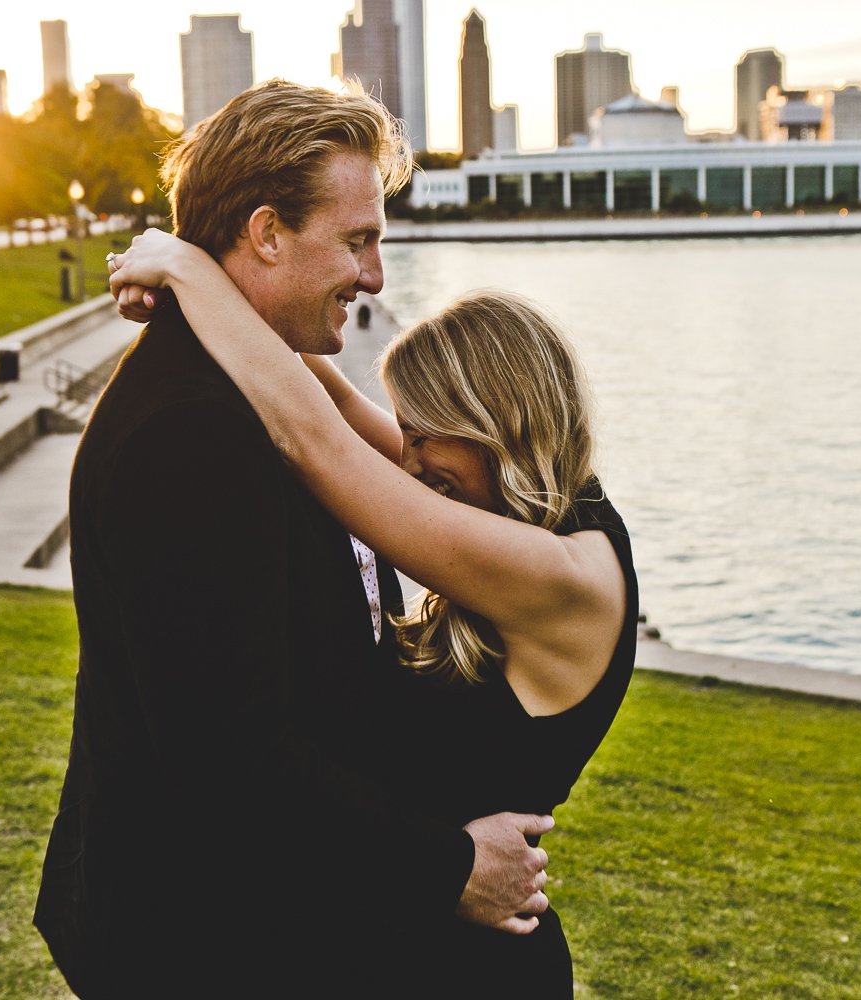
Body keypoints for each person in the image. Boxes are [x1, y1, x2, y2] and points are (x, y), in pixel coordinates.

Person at [33, 79, 553, 999]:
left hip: (275, 918)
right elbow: (230, 763)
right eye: (356, 241)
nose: (375, 276)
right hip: (203, 943)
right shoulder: (190, 433)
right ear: (267, 233)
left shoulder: (269, 391)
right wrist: (451, 867)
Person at [109, 232, 639, 995]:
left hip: (477, 970)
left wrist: (189, 269)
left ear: (495, 424)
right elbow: (338, 407)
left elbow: (317, 443)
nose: (408, 462)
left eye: (422, 437)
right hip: (416, 938)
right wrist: (227, 280)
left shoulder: (563, 577)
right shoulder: (525, 502)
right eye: (406, 433)